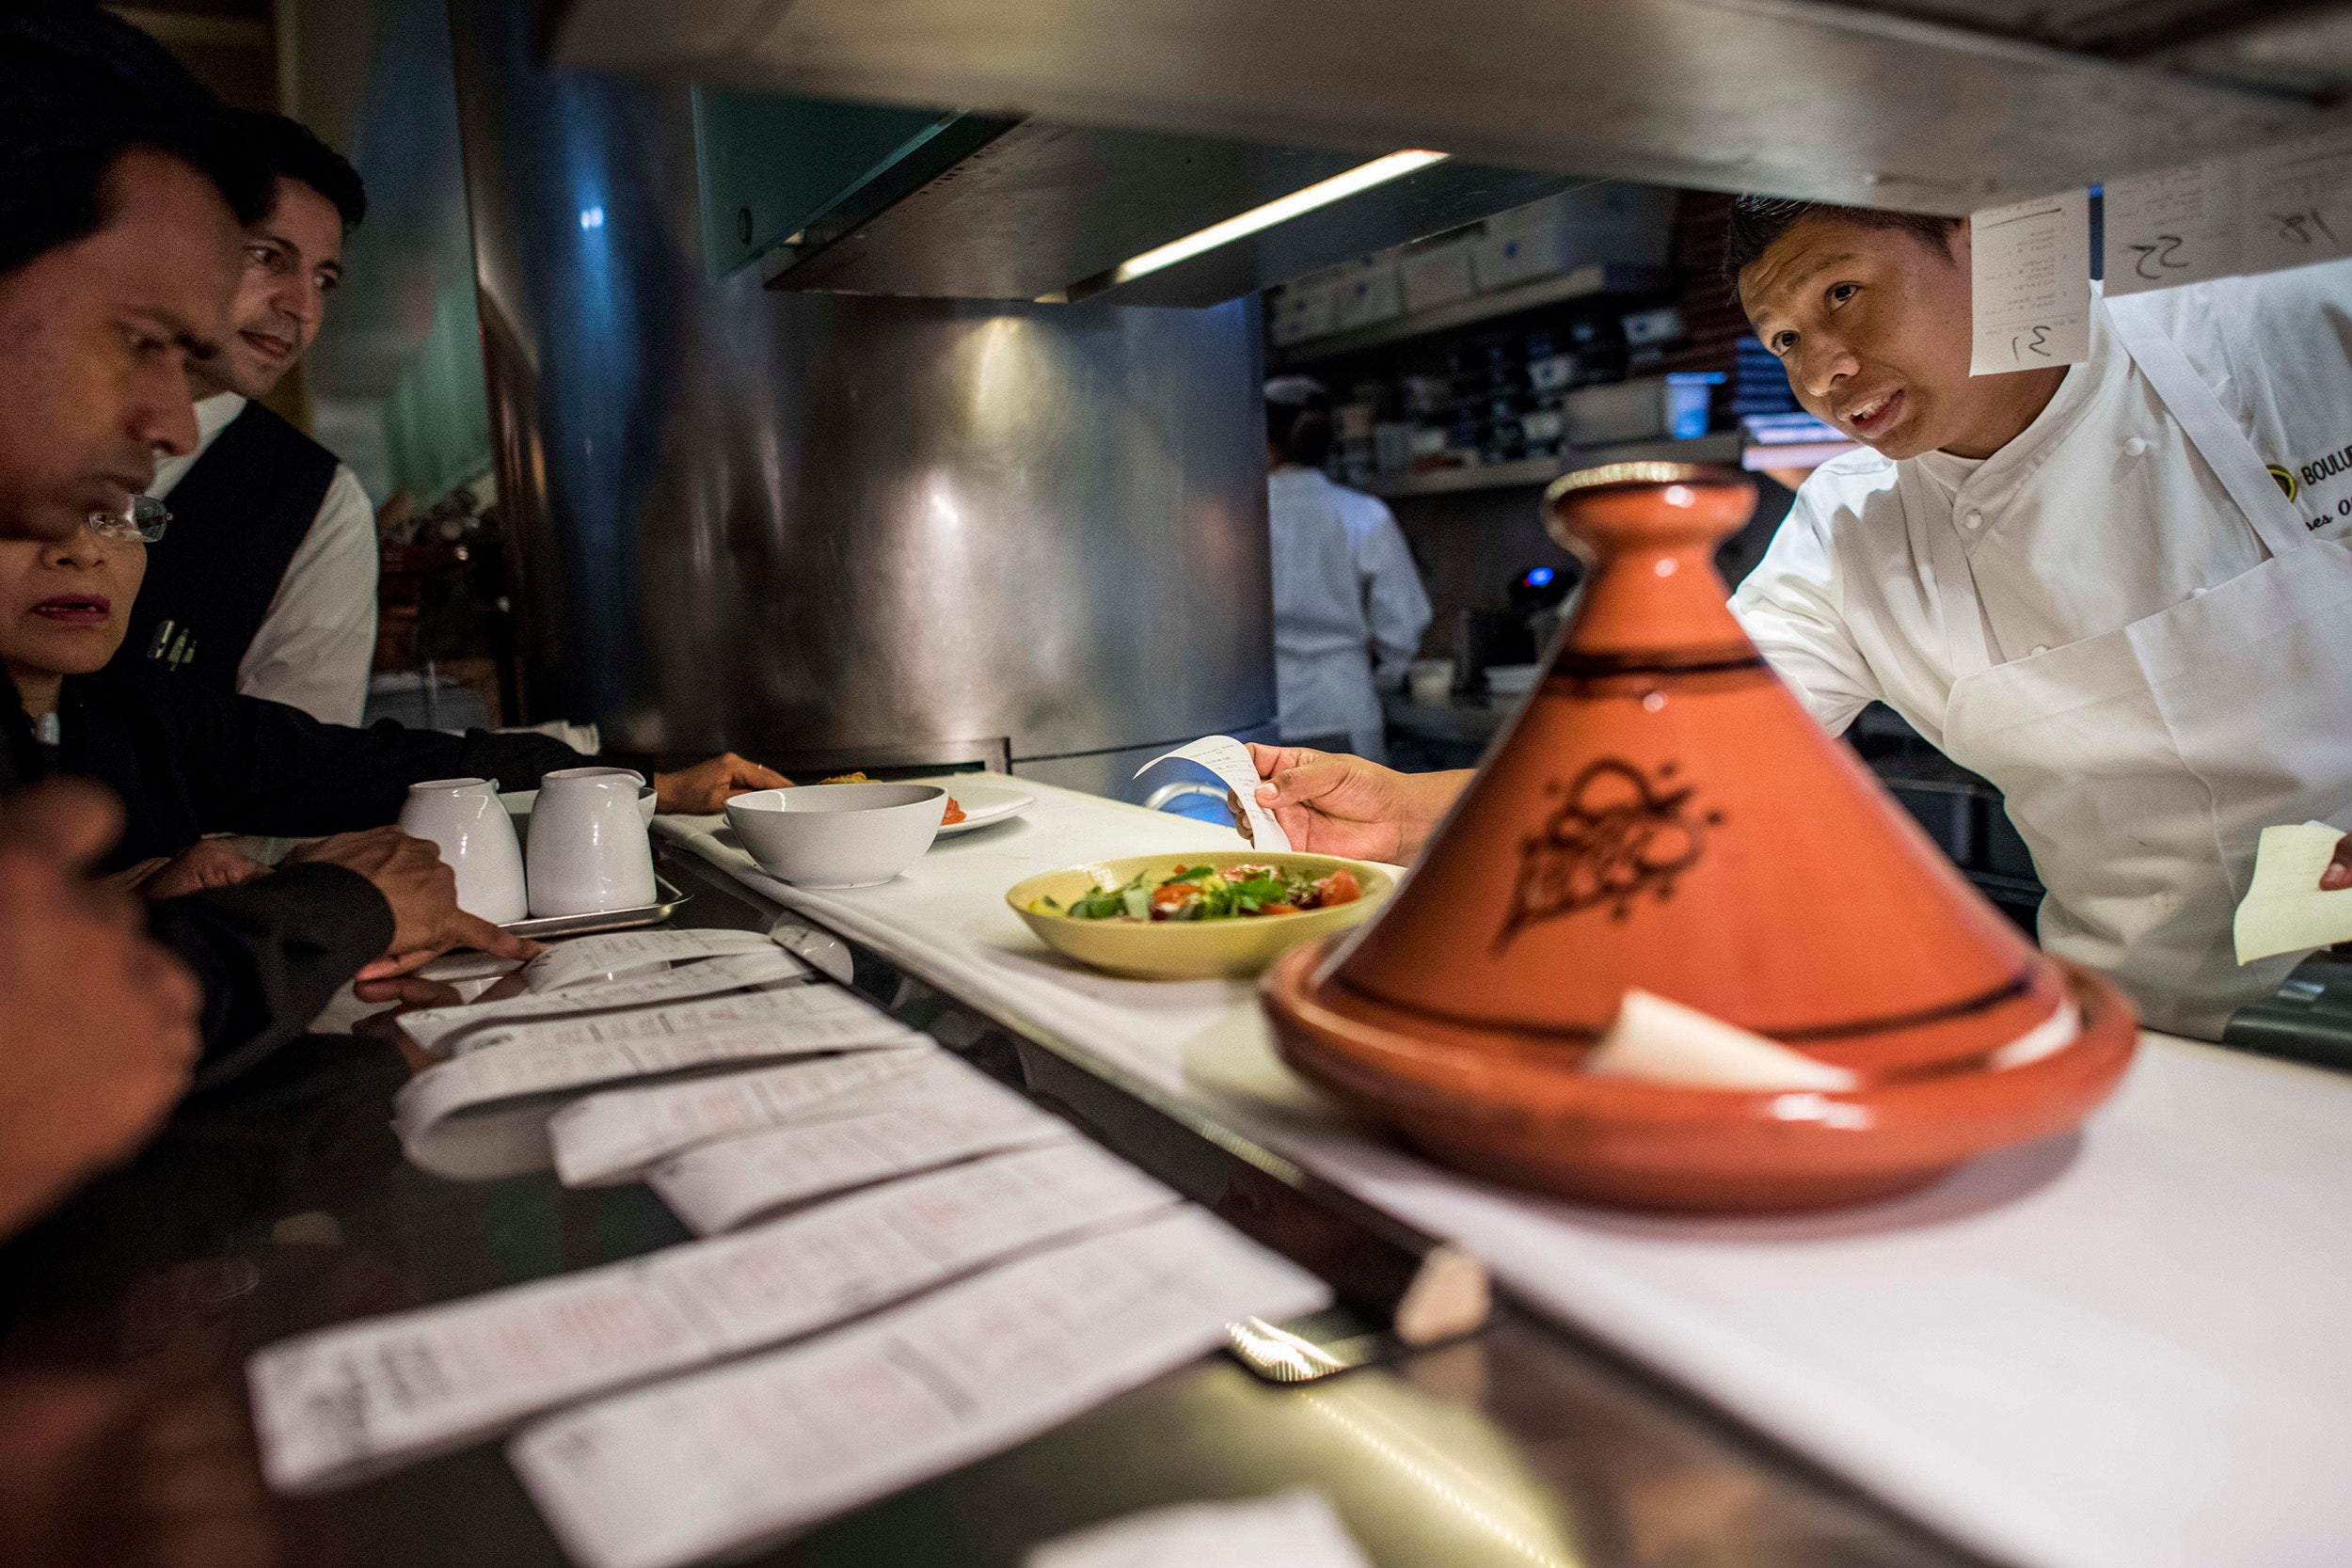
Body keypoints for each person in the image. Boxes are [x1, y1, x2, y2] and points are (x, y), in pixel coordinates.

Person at [1248, 202, 2352, 1040]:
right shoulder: (1849, 526)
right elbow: (1671, 757)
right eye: (1780, 338)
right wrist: (1402, 817)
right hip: (2144, 1027)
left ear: (1977, 239)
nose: (1821, 369)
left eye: (1840, 296)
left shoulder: (2256, 334)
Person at [2, 507, 791, 879]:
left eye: (113, 515)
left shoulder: (133, 708)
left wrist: (637, 784)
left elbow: (353, 767)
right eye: (26, 511)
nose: (82, 553)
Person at [125, 110, 376, 724]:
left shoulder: (320, 504)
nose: (303, 307)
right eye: (268, 256)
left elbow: (291, 763)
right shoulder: (36, 422)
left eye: (324, 280)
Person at [1263, 376, 1431, 764]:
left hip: (1261, 713)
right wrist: (1386, 673)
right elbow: (1404, 621)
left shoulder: (1238, 520)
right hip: (1342, 701)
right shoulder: (1363, 514)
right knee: (1356, 818)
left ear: (1264, 443)